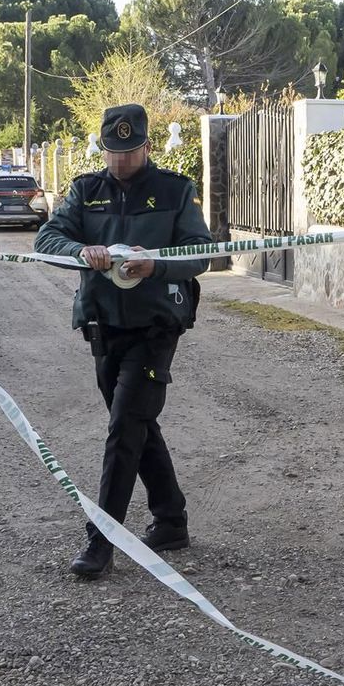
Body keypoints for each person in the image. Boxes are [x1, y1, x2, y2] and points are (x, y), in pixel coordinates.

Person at [34, 103, 212, 579]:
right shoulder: (85, 190)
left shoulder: (175, 190)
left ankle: (101, 540)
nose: (121, 161)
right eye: (113, 152)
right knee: (136, 423)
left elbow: (202, 254)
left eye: (130, 152)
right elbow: (47, 240)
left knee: (123, 427)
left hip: (156, 327)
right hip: (103, 325)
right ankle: (170, 519)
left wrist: (156, 263)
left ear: (147, 147)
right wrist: (80, 250)